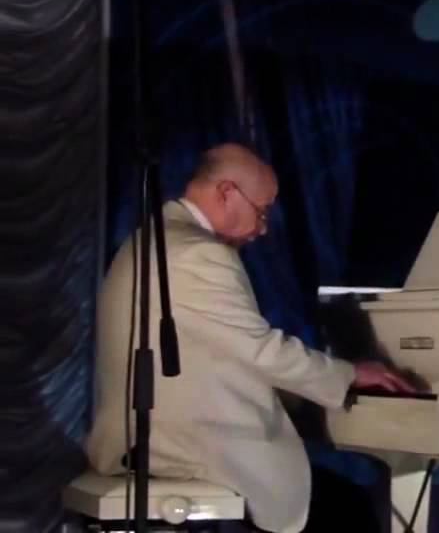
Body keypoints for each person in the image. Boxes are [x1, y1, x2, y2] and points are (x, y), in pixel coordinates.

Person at [84, 143, 418, 533]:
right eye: (262, 211)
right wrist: (350, 374)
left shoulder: (151, 240)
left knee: (339, 499)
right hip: (181, 449)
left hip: (152, 441)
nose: (262, 229)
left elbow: (221, 352)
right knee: (348, 509)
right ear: (227, 192)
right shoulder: (197, 253)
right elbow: (261, 351)